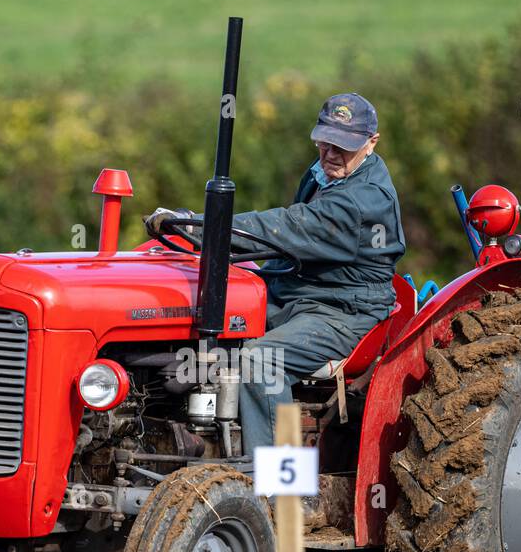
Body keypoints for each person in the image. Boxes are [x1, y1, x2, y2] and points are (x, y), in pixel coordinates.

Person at [148, 92, 406, 452]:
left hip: (343, 310)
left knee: (260, 362)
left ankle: (281, 490)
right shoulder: (323, 175)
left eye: (342, 146)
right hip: (299, 291)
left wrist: (198, 226)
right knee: (205, 316)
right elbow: (291, 239)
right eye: (325, 142)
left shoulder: (362, 200)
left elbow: (287, 226)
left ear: (371, 143)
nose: (330, 154)